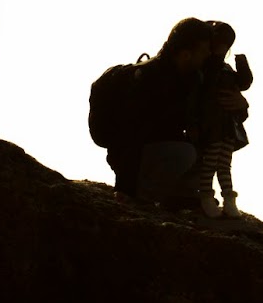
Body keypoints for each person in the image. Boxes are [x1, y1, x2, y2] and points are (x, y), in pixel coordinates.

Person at [108, 17, 213, 206]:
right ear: (186, 54)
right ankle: (143, 197)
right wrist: (125, 188)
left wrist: (240, 105)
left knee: (202, 147)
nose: (208, 54)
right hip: (132, 155)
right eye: (204, 50)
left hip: (154, 148)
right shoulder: (150, 79)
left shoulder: (191, 79)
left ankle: (180, 198)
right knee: (185, 153)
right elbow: (129, 135)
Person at [188, 21, 252, 218]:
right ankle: (206, 197)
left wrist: (242, 63)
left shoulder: (224, 69)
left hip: (226, 126)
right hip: (213, 126)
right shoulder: (207, 67)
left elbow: (244, 83)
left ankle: (228, 200)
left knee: (224, 165)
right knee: (210, 163)